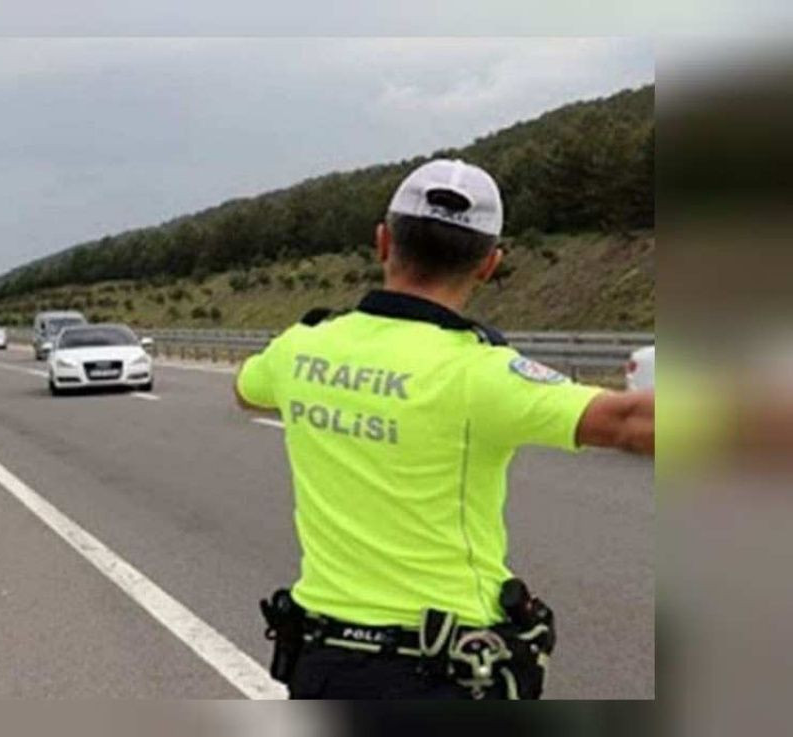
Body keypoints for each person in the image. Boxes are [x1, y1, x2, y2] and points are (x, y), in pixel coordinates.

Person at [237, 159, 654, 700]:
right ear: (489, 263)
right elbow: (630, 423)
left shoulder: (301, 348)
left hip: (324, 663)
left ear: (383, 242)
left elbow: (246, 391)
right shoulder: (483, 374)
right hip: (443, 672)